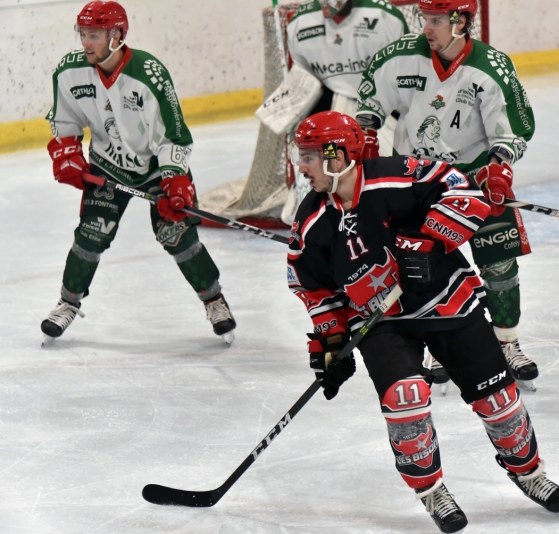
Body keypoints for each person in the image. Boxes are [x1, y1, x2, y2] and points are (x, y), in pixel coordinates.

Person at [286, 111, 559, 533]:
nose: (302, 167)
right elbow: (313, 286)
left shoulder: (397, 176)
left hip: (447, 301)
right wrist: (330, 342)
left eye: (310, 156)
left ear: (338, 155)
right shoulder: (311, 220)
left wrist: (428, 240)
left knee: (498, 400)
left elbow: (461, 189)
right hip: (381, 319)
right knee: (405, 400)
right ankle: (432, 490)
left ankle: (529, 473)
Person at [355, 0, 538, 389]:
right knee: (417, 266)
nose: (427, 28)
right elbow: (370, 100)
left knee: (499, 263)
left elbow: (513, 130)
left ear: (461, 22)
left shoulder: (491, 68)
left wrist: (500, 165)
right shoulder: (400, 56)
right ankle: (430, 345)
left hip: (472, 179)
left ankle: (507, 344)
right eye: (425, 19)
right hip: (415, 182)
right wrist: (367, 135)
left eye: (436, 20)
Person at [41, 1, 236, 345]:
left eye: (95, 35)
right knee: (90, 235)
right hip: (107, 166)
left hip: (157, 171)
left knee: (177, 236)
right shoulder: (70, 71)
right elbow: (65, 120)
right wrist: (67, 151)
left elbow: (173, 135)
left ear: (117, 35)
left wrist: (174, 181)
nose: (87, 42)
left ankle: (214, 300)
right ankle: (68, 303)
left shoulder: (149, 74)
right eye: (83, 34)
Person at [281, 0, 409, 222]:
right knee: (310, 145)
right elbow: (302, 84)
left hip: (380, 110)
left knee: (393, 179)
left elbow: (405, 82)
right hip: (328, 113)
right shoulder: (299, 23)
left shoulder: (385, 18)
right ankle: (316, 200)